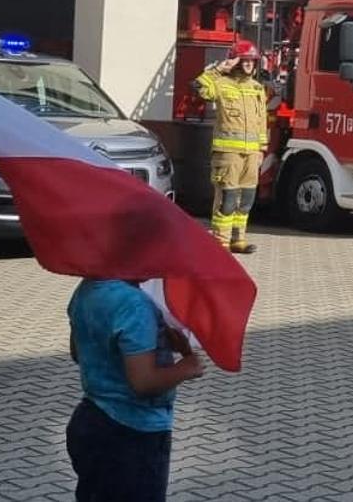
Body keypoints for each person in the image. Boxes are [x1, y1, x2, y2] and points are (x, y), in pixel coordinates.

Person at [67, 278, 204, 502]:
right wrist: (186, 367)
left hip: (91, 421)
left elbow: (77, 352)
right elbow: (143, 383)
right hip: (134, 434)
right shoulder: (135, 304)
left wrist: (156, 343)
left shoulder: (87, 288)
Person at [194, 41, 268, 254]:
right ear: (235, 61)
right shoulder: (222, 84)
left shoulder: (256, 88)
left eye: (251, 61)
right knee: (226, 199)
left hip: (252, 154)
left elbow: (261, 120)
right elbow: (198, 86)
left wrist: (261, 148)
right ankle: (220, 243)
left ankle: (238, 239)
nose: (248, 65)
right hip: (228, 155)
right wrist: (220, 69)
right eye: (244, 60)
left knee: (246, 199)